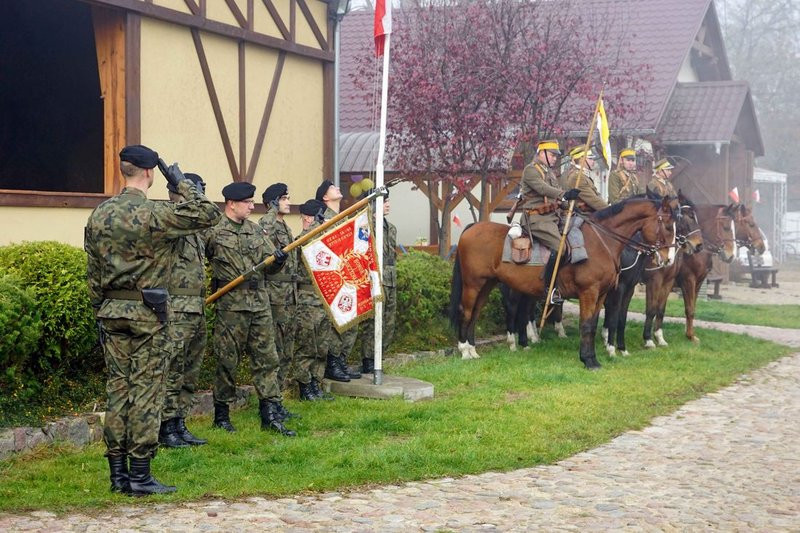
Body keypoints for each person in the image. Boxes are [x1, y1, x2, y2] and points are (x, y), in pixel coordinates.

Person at [85, 145, 221, 495]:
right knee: (146, 392)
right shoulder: (154, 215)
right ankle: (140, 475)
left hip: (112, 313)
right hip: (148, 314)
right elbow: (207, 213)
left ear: (124, 171)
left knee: (118, 390)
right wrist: (179, 180)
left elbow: (94, 275)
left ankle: (117, 475)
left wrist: (102, 307)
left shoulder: (100, 215)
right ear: (149, 173)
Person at [205, 181, 296, 437]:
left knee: (267, 359)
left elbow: (269, 266)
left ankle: (269, 414)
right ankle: (221, 415)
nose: (252, 206)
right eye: (247, 202)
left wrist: (279, 261)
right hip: (231, 307)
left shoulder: (256, 231)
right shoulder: (213, 233)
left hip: (259, 305)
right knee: (227, 361)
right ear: (231, 204)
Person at [159, 172, 211, 449]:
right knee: (172, 368)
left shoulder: (194, 231)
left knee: (190, 370)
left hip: (195, 308)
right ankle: (165, 427)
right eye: (195, 190)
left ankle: (179, 421)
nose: (200, 195)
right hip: (176, 309)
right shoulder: (170, 219)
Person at [518, 140, 580, 304]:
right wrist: (565, 194)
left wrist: (571, 206)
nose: (555, 159)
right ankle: (548, 289)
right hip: (536, 218)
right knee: (559, 247)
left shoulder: (550, 173)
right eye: (552, 155)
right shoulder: (530, 170)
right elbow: (543, 189)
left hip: (552, 217)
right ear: (541, 153)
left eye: (556, 156)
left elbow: (554, 198)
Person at [315, 179, 361, 381]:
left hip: (347, 278)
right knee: (336, 323)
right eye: (333, 188)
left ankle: (341, 360)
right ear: (325, 197)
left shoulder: (342, 218)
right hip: (333, 278)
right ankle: (332, 363)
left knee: (350, 321)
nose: (338, 188)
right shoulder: (323, 219)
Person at [258, 183, 298, 398]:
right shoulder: (268, 221)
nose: (288, 202)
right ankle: (272, 397)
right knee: (276, 347)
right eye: (284, 198)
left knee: (287, 348)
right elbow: (264, 237)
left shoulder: (285, 226)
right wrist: (272, 210)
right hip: (275, 294)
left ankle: (279, 395)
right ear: (273, 202)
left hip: (289, 294)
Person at [294, 199, 336, 400]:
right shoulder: (303, 239)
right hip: (308, 301)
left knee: (322, 346)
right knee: (307, 346)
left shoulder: (324, 238)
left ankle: (315, 383)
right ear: (310, 218)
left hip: (323, 299)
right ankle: (304, 386)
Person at [359, 191, 397, 374]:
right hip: (374, 279)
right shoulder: (368, 226)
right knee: (372, 321)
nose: (388, 204)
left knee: (388, 320)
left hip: (390, 279)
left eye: (388, 201)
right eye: (385, 201)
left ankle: (379, 356)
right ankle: (368, 359)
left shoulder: (391, 228)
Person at [559, 146, 609, 213]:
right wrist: (611, 211)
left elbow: (596, 195)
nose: (593, 161)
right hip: (578, 214)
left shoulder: (581, 174)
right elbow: (593, 200)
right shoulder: (577, 176)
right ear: (582, 159)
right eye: (590, 159)